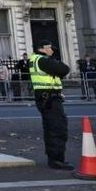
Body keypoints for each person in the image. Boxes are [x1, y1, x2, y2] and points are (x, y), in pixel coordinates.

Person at [29, 40, 72, 170]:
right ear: (41, 49)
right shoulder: (43, 60)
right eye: (49, 48)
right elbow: (64, 69)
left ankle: (53, 157)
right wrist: (55, 60)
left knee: (50, 128)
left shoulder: (35, 59)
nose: (52, 50)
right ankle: (57, 159)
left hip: (44, 97)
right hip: (50, 98)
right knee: (57, 127)